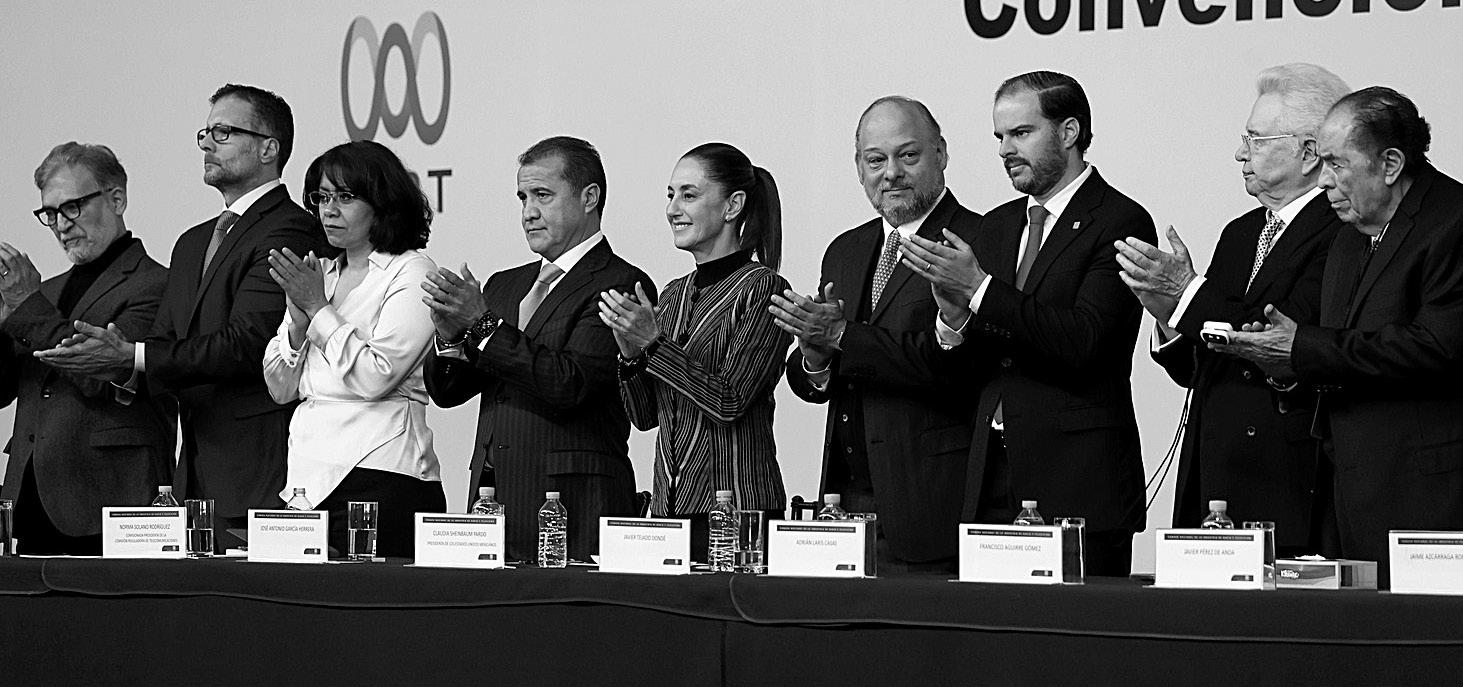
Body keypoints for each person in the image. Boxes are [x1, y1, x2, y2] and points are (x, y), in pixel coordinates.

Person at [35, 84, 332, 543]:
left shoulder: (290, 229)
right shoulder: (192, 243)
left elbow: (247, 345)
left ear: (269, 149)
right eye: (205, 133)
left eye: (224, 132)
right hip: (192, 476)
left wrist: (133, 356)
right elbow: (164, 345)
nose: (207, 144)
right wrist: (121, 364)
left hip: (261, 472)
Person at [902, 71, 1155, 576]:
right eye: (1000, 136)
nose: (1004, 150)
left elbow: (1084, 341)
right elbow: (980, 359)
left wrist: (979, 290)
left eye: (1021, 133)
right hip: (989, 478)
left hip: (1078, 482)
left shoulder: (1120, 220)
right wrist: (953, 320)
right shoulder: (996, 225)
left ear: (1069, 132)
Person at [1216, 87, 1463, 577]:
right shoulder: (1348, 235)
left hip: (1427, 497)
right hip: (1341, 489)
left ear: (1390, 164)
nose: (1324, 179)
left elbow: (1438, 347)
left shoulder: (1452, 221)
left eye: (1336, 163)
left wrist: (1302, 346)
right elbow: (1338, 352)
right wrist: (1283, 365)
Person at [1115, 64, 1349, 555]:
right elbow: (1201, 364)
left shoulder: (1340, 230)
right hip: (1213, 465)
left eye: (1256, 140)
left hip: (1284, 470)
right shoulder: (1240, 232)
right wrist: (1168, 314)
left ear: (1310, 153)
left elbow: (1274, 334)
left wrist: (1188, 292)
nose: (1240, 153)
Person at [770, 97, 982, 571]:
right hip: (844, 505)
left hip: (931, 504)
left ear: (941, 154)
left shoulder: (977, 241)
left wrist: (842, 335)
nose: (891, 173)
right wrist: (815, 358)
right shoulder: (845, 249)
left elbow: (960, 368)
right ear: (858, 167)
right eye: (875, 160)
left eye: (908, 155)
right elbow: (818, 380)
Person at [423, 136, 653, 563]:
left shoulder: (619, 283)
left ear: (589, 198)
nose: (528, 211)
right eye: (523, 197)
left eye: (542, 195)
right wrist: (450, 336)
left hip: (574, 503)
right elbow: (448, 393)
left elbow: (571, 384)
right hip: (492, 501)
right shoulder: (504, 284)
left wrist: (482, 324)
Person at [599, 143, 791, 560]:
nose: (673, 209)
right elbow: (645, 417)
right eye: (670, 195)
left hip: (738, 511)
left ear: (733, 205)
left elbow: (729, 401)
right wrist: (630, 355)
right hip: (669, 512)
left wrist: (653, 344)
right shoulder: (672, 294)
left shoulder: (764, 288)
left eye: (689, 195)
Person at [262, 141, 445, 558]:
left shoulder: (411, 271)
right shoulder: (321, 272)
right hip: (305, 479)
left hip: (382, 471)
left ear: (382, 204)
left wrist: (318, 309)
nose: (329, 210)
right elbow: (280, 388)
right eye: (322, 197)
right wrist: (299, 325)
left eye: (345, 197)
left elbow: (376, 376)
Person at [0, 143, 174, 555]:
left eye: (72, 207)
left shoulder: (158, 284)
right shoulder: (45, 292)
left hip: (112, 499)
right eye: (50, 213)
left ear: (117, 199)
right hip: (30, 496)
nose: (61, 225)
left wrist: (26, 308)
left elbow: (102, 375)